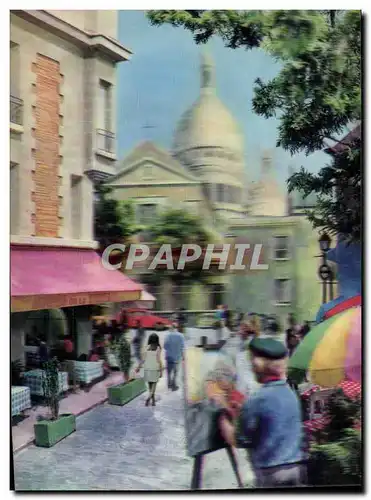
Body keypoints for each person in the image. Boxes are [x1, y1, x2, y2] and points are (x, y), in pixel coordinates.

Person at [218, 337, 306, 488]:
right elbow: (271, 421)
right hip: (297, 468)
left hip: (271, 474)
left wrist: (222, 420)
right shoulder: (290, 393)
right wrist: (242, 410)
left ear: (257, 366)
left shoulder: (257, 399)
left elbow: (240, 440)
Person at [136, 333, 163, 406]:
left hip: (147, 368)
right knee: (154, 385)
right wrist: (161, 370)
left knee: (150, 385)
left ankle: (153, 400)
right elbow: (158, 360)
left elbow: (143, 360)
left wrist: (138, 367)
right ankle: (150, 397)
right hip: (155, 368)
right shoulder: (158, 348)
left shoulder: (146, 347)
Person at [164, 322, 185, 391]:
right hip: (177, 357)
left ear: (172, 328)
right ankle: (174, 386)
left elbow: (165, 346)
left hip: (169, 357)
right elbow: (182, 347)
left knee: (169, 372)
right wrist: (183, 356)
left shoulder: (168, 336)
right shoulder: (181, 336)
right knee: (175, 372)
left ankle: (169, 385)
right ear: (177, 328)